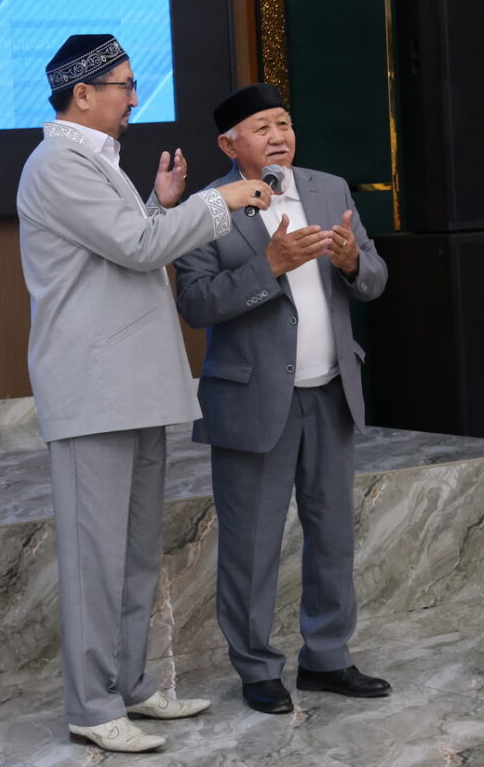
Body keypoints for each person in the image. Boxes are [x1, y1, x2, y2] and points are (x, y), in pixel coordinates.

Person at [16, 36, 274, 753]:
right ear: (82, 93)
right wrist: (219, 199)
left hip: (131, 386)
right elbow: (136, 248)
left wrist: (161, 209)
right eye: (124, 85)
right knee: (94, 560)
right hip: (94, 389)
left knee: (132, 555)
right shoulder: (57, 163)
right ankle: (92, 705)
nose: (135, 98)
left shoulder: (96, 163)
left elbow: (127, 247)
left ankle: (127, 684)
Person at [173, 82, 391, 715]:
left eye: (284, 124)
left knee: (333, 535)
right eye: (262, 127)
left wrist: (351, 264)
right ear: (229, 145)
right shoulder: (207, 208)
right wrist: (266, 265)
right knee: (251, 543)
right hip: (253, 400)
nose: (278, 137)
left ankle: (327, 657)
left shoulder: (330, 189)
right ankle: (257, 667)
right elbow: (196, 304)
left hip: (331, 392)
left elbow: (375, 278)